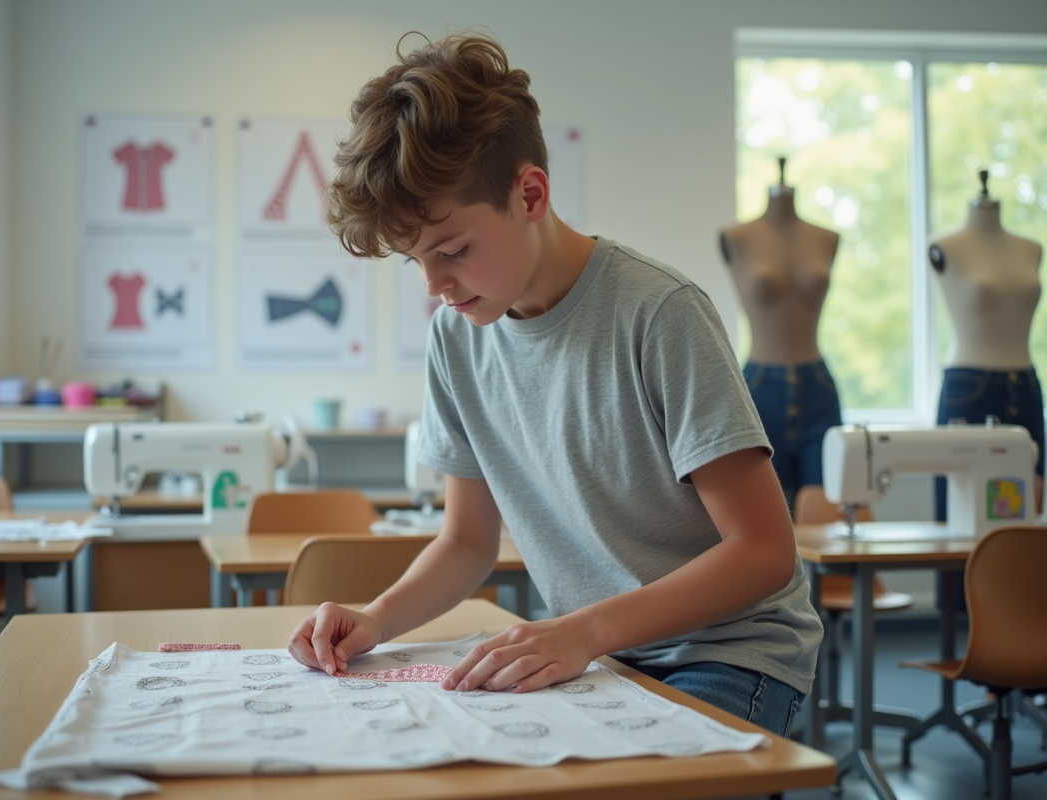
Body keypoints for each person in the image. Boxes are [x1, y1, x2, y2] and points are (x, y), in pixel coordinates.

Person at [287, 32, 822, 736]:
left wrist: (582, 634)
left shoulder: (657, 312)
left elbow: (763, 550)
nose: (435, 286)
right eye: (415, 261)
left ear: (530, 193)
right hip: (598, 654)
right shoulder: (458, 338)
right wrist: (376, 618)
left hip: (727, 654)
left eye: (452, 252)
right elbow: (466, 542)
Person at [718, 159, 843, 510]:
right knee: (760, 510)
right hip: (758, 390)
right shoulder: (736, 237)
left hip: (817, 386)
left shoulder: (827, 238)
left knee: (826, 511)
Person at [932, 169, 1044, 525]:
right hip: (969, 391)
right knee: (955, 519)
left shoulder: (1032, 249)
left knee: (1028, 518)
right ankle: (955, 585)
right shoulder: (945, 247)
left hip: (1026, 388)